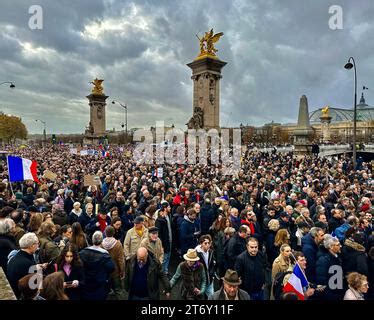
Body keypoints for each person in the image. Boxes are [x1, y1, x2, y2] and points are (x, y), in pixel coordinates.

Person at [7, 233, 48, 298]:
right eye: (37, 243)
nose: (38, 246)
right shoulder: (28, 264)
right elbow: (34, 287)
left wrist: (36, 267)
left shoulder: (15, 257)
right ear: (31, 246)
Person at [79, 231, 115, 300]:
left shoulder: (83, 253)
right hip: (99, 286)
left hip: (85, 284)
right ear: (102, 241)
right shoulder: (105, 256)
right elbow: (111, 268)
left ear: (92, 240)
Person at [316, 235, 344, 300]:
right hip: (331, 293)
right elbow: (322, 279)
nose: (340, 246)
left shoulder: (337, 256)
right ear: (331, 247)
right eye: (338, 245)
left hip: (338, 290)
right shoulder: (323, 260)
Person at [102, 226, 125, 300]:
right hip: (115, 271)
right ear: (114, 233)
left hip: (105, 272)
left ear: (105, 233)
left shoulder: (101, 244)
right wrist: (122, 271)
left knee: (105, 292)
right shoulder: (118, 244)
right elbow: (121, 260)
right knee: (118, 290)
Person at [155, 201, 173, 275]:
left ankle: (165, 270)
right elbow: (159, 234)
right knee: (164, 257)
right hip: (164, 242)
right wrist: (161, 244)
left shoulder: (168, 216)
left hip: (169, 239)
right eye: (169, 207)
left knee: (168, 256)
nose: (170, 208)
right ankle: (162, 272)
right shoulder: (159, 220)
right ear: (165, 209)